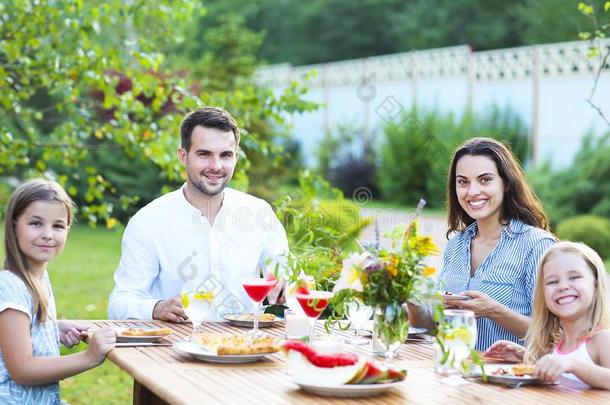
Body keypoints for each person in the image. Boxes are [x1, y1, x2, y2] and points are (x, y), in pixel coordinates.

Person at [108, 107, 289, 321]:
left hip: (244, 346)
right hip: (173, 348)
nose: (216, 166)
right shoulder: (148, 222)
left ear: (236, 158)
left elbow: (288, 274)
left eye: (225, 155)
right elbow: (120, 301)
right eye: (204, 154)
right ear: (183, 156)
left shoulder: (259, 213)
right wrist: (156, 308)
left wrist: (288, 285)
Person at [409, 137, 555, 350]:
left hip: (511, 378)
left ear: (506, 184)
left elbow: (554, 336)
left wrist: (493, 310)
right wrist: (410, 298)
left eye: (485, 180)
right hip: (458, 374)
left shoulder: (536, 245)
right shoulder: (456, 245)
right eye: (463, 182)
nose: (472, 191)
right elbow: (432, 326)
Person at [0, 179, 116, 404]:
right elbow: (22, 369)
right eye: (35, 223)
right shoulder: (10, 286)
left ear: (68, 230)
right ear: (14, 226)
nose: (48, 234)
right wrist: (89, 357)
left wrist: (53, 329)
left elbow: (23, 330)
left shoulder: (38, 277)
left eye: (58, 226)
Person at [484, 242, 610, 389]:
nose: (563, 286)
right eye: (552, 281)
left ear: (595, 283)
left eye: (574, 277)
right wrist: (530, 361)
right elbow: (566, 383)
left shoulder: (601, 338)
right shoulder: (560, 344)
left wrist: (573, 364)